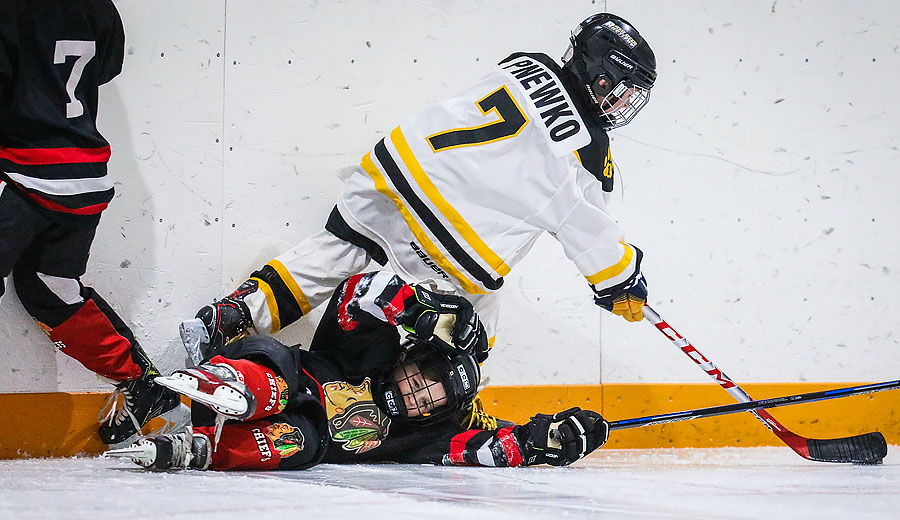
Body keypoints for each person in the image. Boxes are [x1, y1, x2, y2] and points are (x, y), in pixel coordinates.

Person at [180, 12, 657, 366]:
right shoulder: (591, 149)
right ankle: (442, 401)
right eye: (623, 88)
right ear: (603, 75)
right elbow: (586, 228)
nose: (622, 102)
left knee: (338, 249)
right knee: (479, 315)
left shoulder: (523, 63)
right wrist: (620, 279)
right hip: (450, 231)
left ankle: (232, 316)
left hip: (393, 170)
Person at [108, 271, 610, 471]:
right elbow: (358, 294)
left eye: (433, 398)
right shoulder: (374, 350)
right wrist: (412, 305)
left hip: (310, 435)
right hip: (295, 376)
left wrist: (545, 440)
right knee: (276, 367)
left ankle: (201, 450)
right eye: (424, 376)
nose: (418, 395)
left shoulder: (428, 433)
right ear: (411, 355)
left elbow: (482, 447)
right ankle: (229, 384)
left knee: (295, 445)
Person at [0, 0, 180, 444]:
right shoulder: (97, 3)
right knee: (50, 288)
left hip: (21, 172)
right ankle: (142, 381)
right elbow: (105, 66)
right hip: (83, 178)